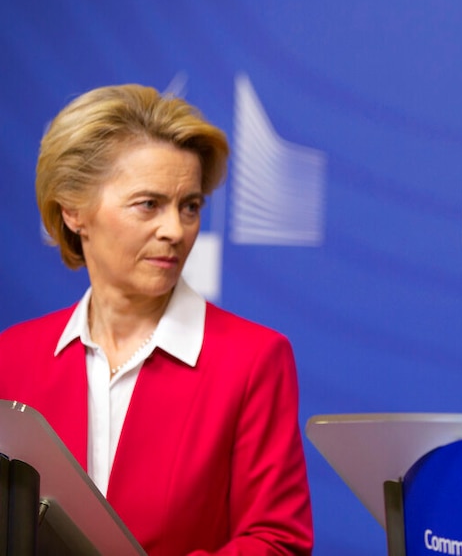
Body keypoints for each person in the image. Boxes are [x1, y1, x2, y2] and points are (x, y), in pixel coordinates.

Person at [0, 85, 313, 555]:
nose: (176, 230)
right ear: (73, 211)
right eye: (149, 204)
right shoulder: (13, 354)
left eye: (190, 206)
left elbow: (277, 542)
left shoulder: (253, 359)